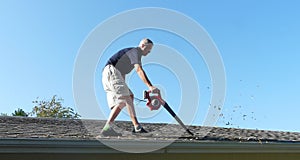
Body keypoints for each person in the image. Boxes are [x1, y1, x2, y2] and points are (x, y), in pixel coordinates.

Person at [101, 38, 160, 136]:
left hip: (110, 74)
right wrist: (150, 86)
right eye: (148, 49)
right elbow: (139, 70)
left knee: (123, 101)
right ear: (142, 46)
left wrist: (125, 89)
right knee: (127, 97)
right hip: (111, 72)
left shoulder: (132, 55)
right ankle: (137, 127)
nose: (149, 52)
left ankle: (107, 128)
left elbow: (122, 73)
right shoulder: (135, 52)